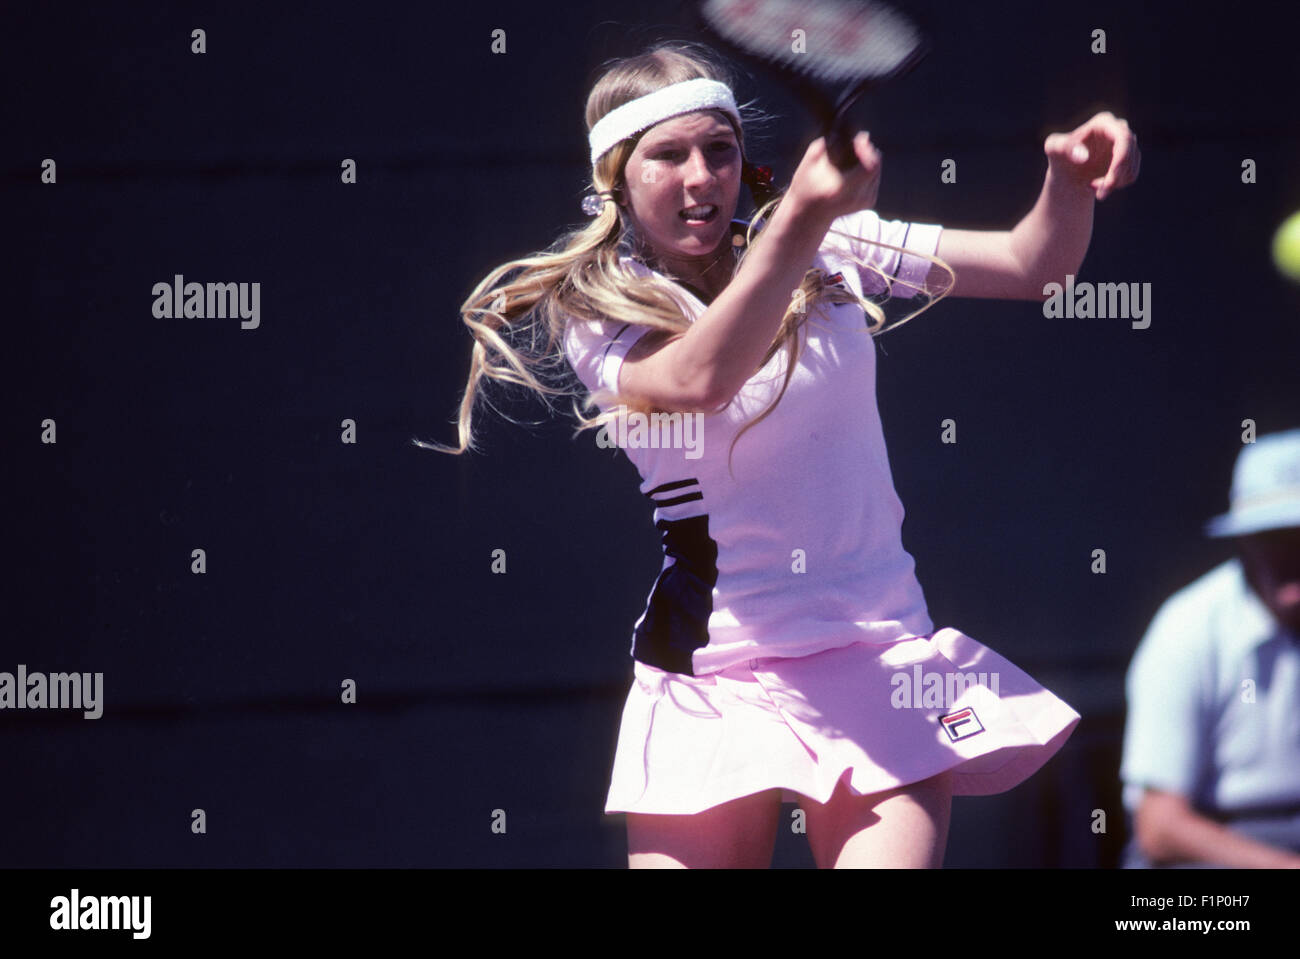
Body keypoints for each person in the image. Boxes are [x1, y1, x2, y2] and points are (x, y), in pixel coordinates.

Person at [420, 41, 1140, 868]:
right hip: (708, 676)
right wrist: (800, 221)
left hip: (878, 654)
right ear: (615, 176)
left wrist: (1070, 183)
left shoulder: (831, 244)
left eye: (719, 150)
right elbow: (698, 379)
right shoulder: (594, 308)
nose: (701, 177)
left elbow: (1032, 264)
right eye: (668, 155)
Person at [1120, 429, 1300, 868]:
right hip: (1211, 845)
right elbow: (1160, 827)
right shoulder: (1188, 627)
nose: (1292, 551)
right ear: (1244, 540)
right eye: (1274, 534)